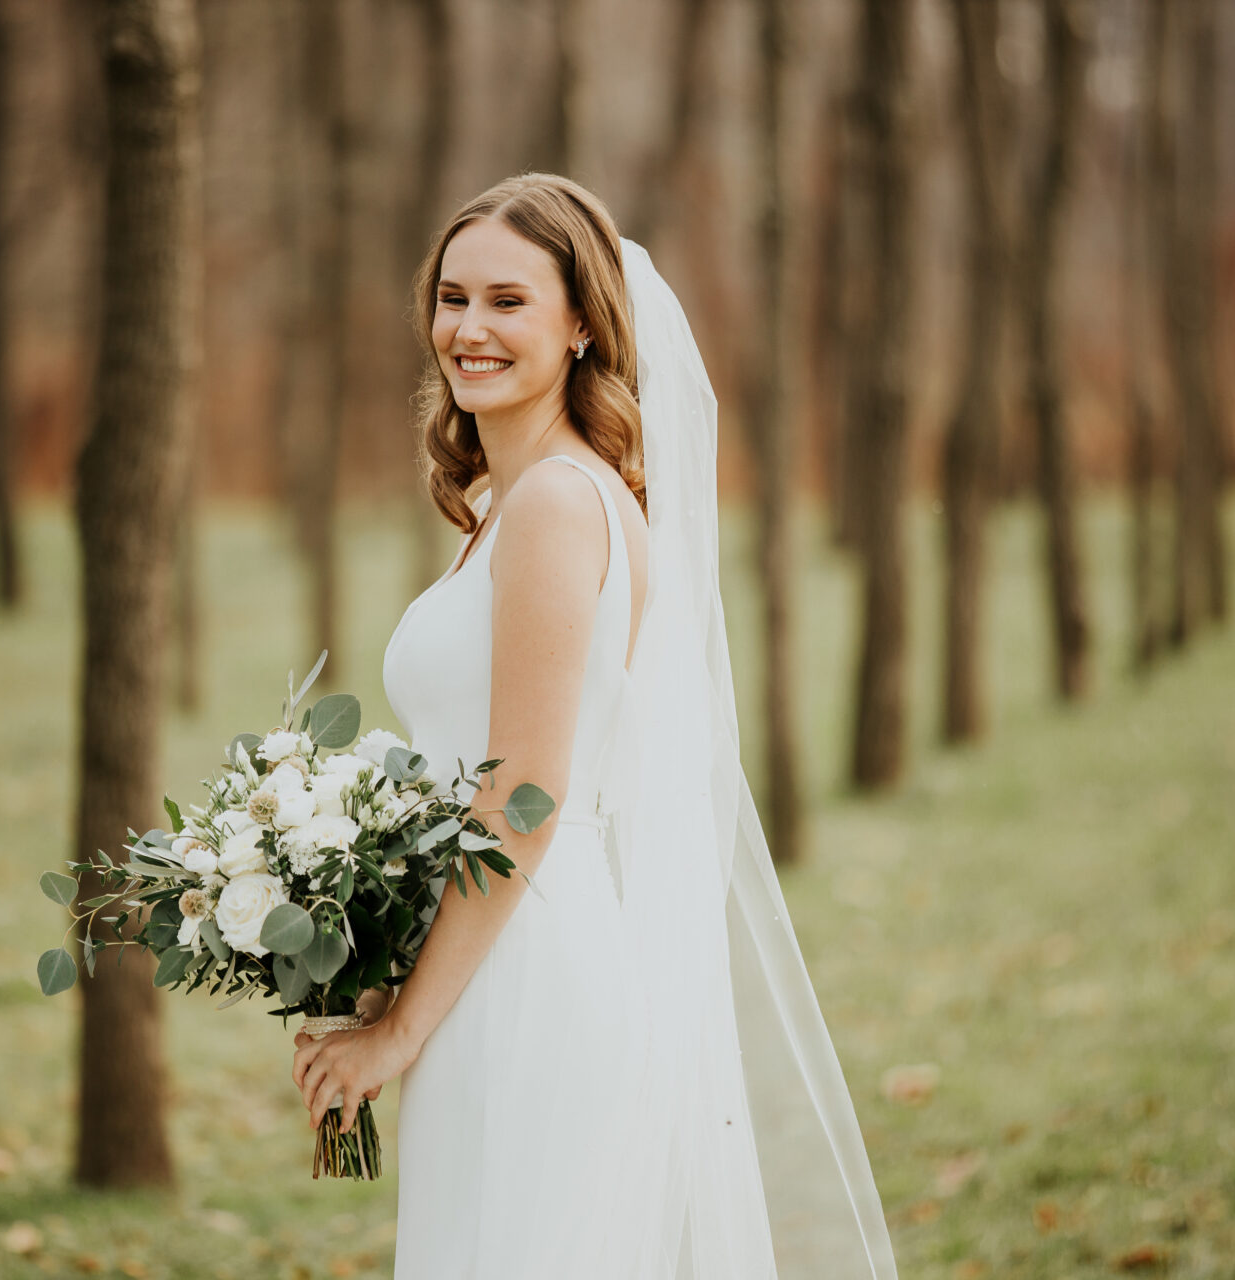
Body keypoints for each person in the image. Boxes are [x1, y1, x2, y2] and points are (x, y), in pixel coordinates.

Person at [290, 173, 899, 1279]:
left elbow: (523, 798)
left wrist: (401, 1030)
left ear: (581, 324)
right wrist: (372, 955)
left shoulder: (560, 507)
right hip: (484, 963)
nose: (468, 328)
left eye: (508, 302)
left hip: (528, 985)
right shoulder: (507, 504)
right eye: (452, 295)